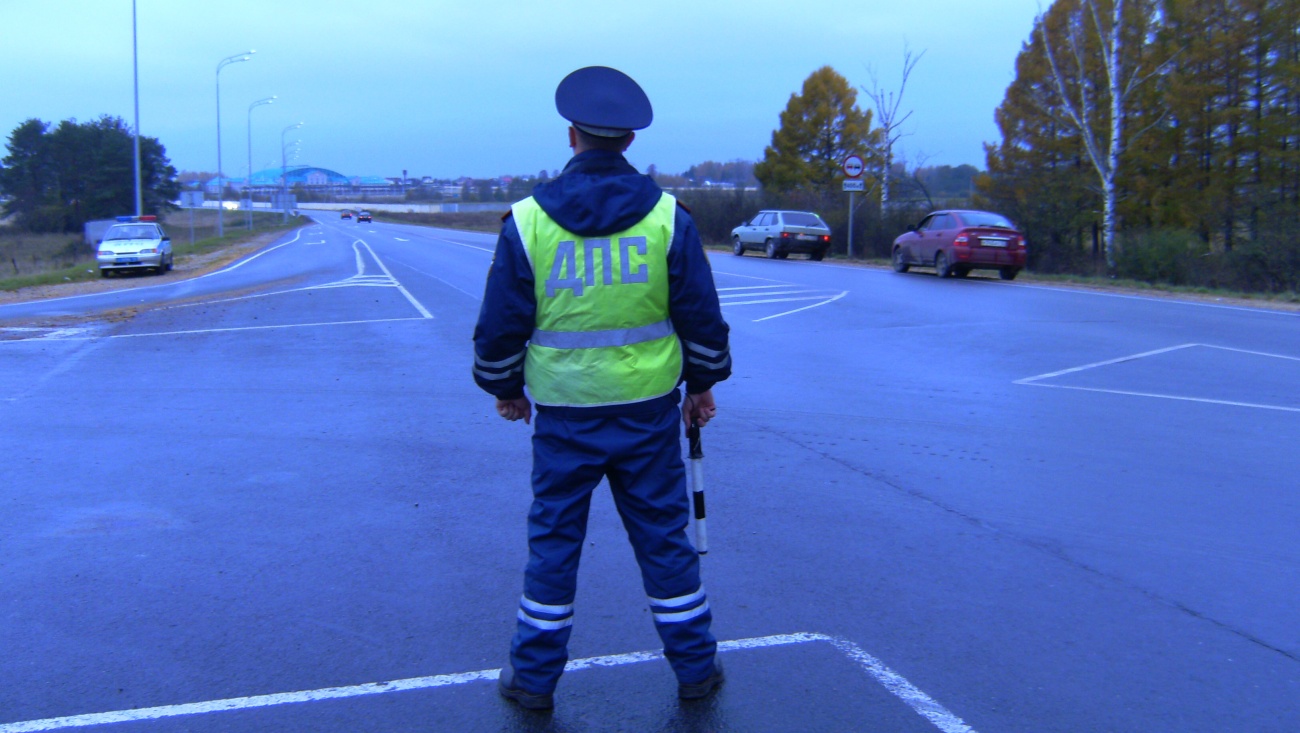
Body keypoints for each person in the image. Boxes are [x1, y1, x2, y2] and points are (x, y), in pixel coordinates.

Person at [472, 66, 732, 711]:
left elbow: (501, 323)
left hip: (564, 417)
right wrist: (701, 385)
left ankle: (533, 680)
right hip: (648, 413)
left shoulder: (528, 221)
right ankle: (696, 669)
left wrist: (506, 388)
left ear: (572, 136)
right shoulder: (669, 217)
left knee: (554, 544)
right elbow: (701, 316)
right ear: (629, 140)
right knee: (664, 541)